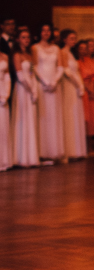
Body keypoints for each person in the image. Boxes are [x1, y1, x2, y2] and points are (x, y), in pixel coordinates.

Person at [32, 24, 64, 163]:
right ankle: (43, 152)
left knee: (54, 117)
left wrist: (55, 80)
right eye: (43, 30)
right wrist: (45, 81)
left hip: (54, 85)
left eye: (48, 30)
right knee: (43, 117)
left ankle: (55, 151)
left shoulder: (56, 48)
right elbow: (34, 66)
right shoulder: (35, 47)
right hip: (42, 84)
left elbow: (61, 66)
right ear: (39, 32)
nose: (46, 33)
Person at [11, 27, 40, 168]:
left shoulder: (30, 55)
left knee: (31, 120)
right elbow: (20, 76)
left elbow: (32, 73)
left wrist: (35, 88)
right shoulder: (17, 55)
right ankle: (21, 157)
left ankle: (31, 156)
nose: (26, 40)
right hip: (23, 90)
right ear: (18, 39)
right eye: (23, 37)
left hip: (31, 88)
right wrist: (30, 89)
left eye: (28, 37)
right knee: (22, 120)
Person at [59, 30, 89, 159]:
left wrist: (80, 85)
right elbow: (67, 71)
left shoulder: (71, 53)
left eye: (75, 38)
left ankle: (78, 149)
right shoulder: (63, 52)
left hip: (75, 86)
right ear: (64, 39)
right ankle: (70, 150)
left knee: (76, 115)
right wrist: (78, 85)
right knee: (70, 115)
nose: (74, 41)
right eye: (71, 38)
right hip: (69, 86)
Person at [0, 49, 10, 172]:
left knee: (3, 127)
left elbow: (7, 76)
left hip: (3, 91)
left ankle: (3, 160)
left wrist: (6, 94)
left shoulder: (4, 56)